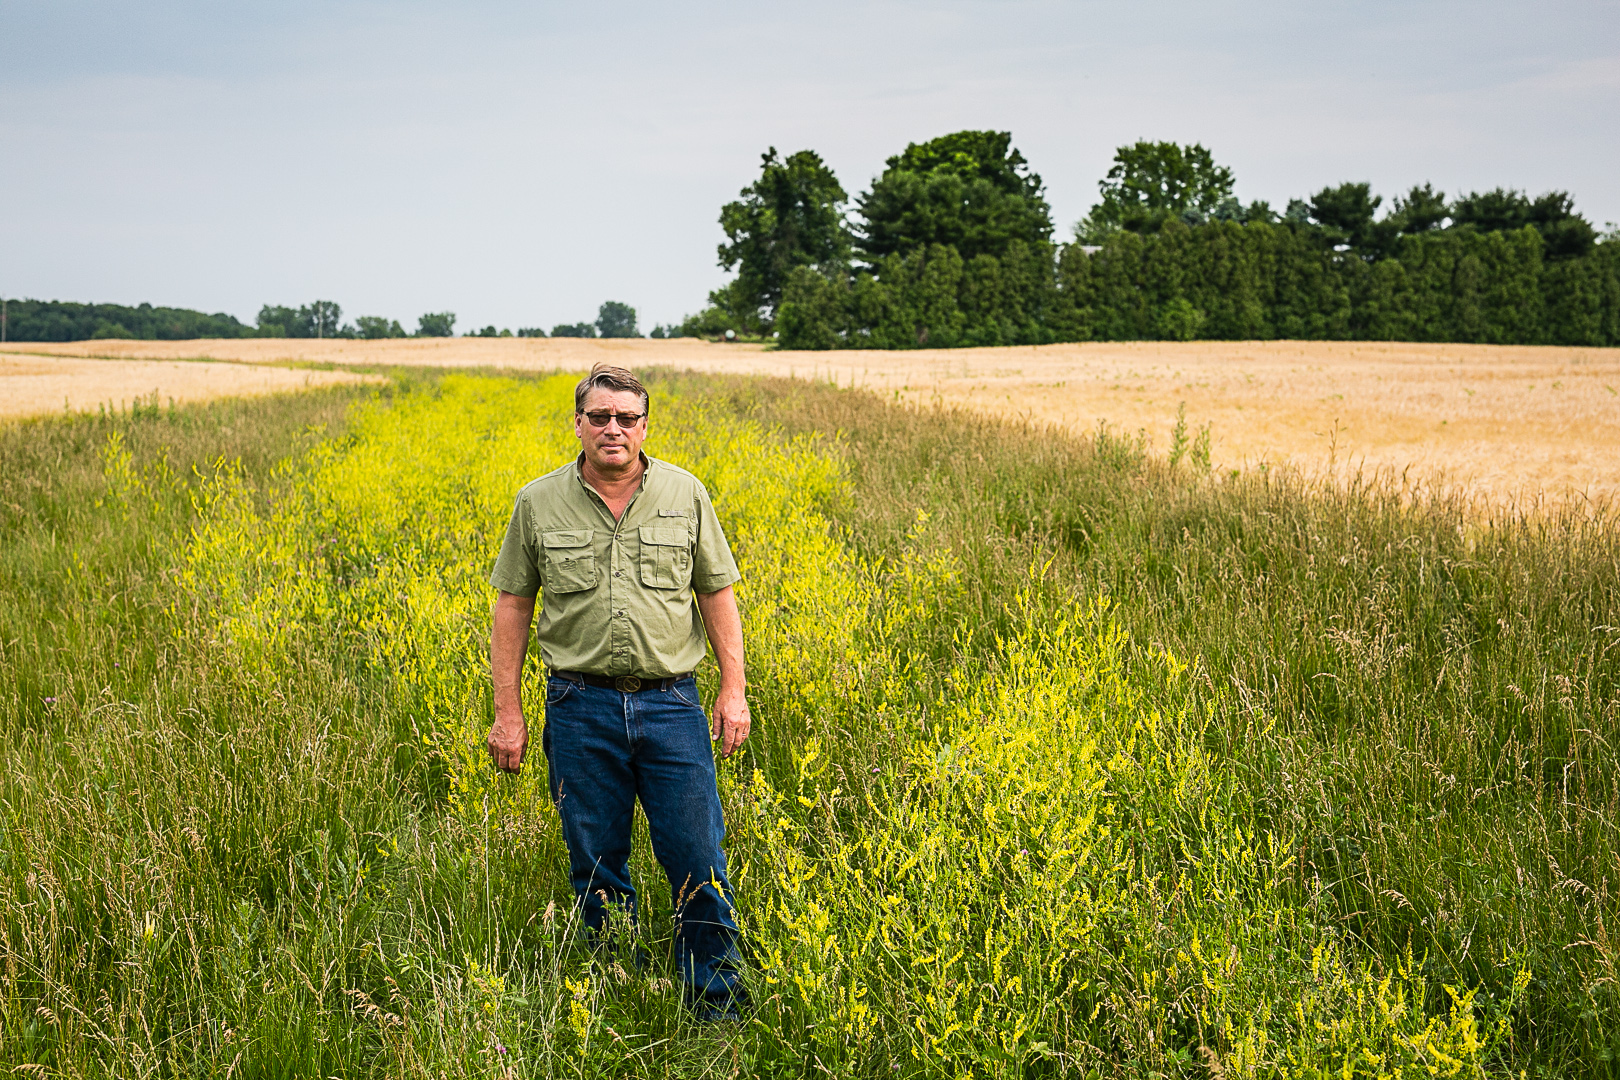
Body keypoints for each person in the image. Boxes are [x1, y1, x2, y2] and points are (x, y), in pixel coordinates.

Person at [485, 363, 752, 1020]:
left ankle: (715, 1004)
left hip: (671, 706)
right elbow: (513, 605)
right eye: (598, 416)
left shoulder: (685, 494)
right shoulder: (537, 502)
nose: (612, 428)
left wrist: (733, 691)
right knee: (597, 863)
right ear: (577, 424)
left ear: (643, 426)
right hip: (580, 708)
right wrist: (508, 712)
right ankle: (612, 995)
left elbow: (716, 593)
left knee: (698, 856)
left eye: (626, 417)